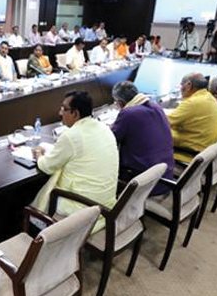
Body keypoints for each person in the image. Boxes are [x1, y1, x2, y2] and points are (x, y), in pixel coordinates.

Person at [31, 91, 118, 233]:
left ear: (75, 113)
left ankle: (39, 236)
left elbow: (47, 167)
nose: (60, 113)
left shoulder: (71, 136)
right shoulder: (103, 128)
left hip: (83, 207)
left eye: (64, 109)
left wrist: (39, 155)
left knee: (38, 199)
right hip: (106, 203)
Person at [110, 81, 174, 195]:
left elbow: (111, 139)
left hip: (144, 182)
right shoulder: (156, 106)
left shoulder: (128, 113)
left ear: (120, 103)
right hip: (166, 175)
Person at [167, 73, 217, 162]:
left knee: (151, 133)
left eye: (181, 85)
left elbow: (163, 122)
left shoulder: (192, 103)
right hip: (204, 154)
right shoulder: (209, 98)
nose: (180, 88)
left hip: (186, 154)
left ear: (188, 85)